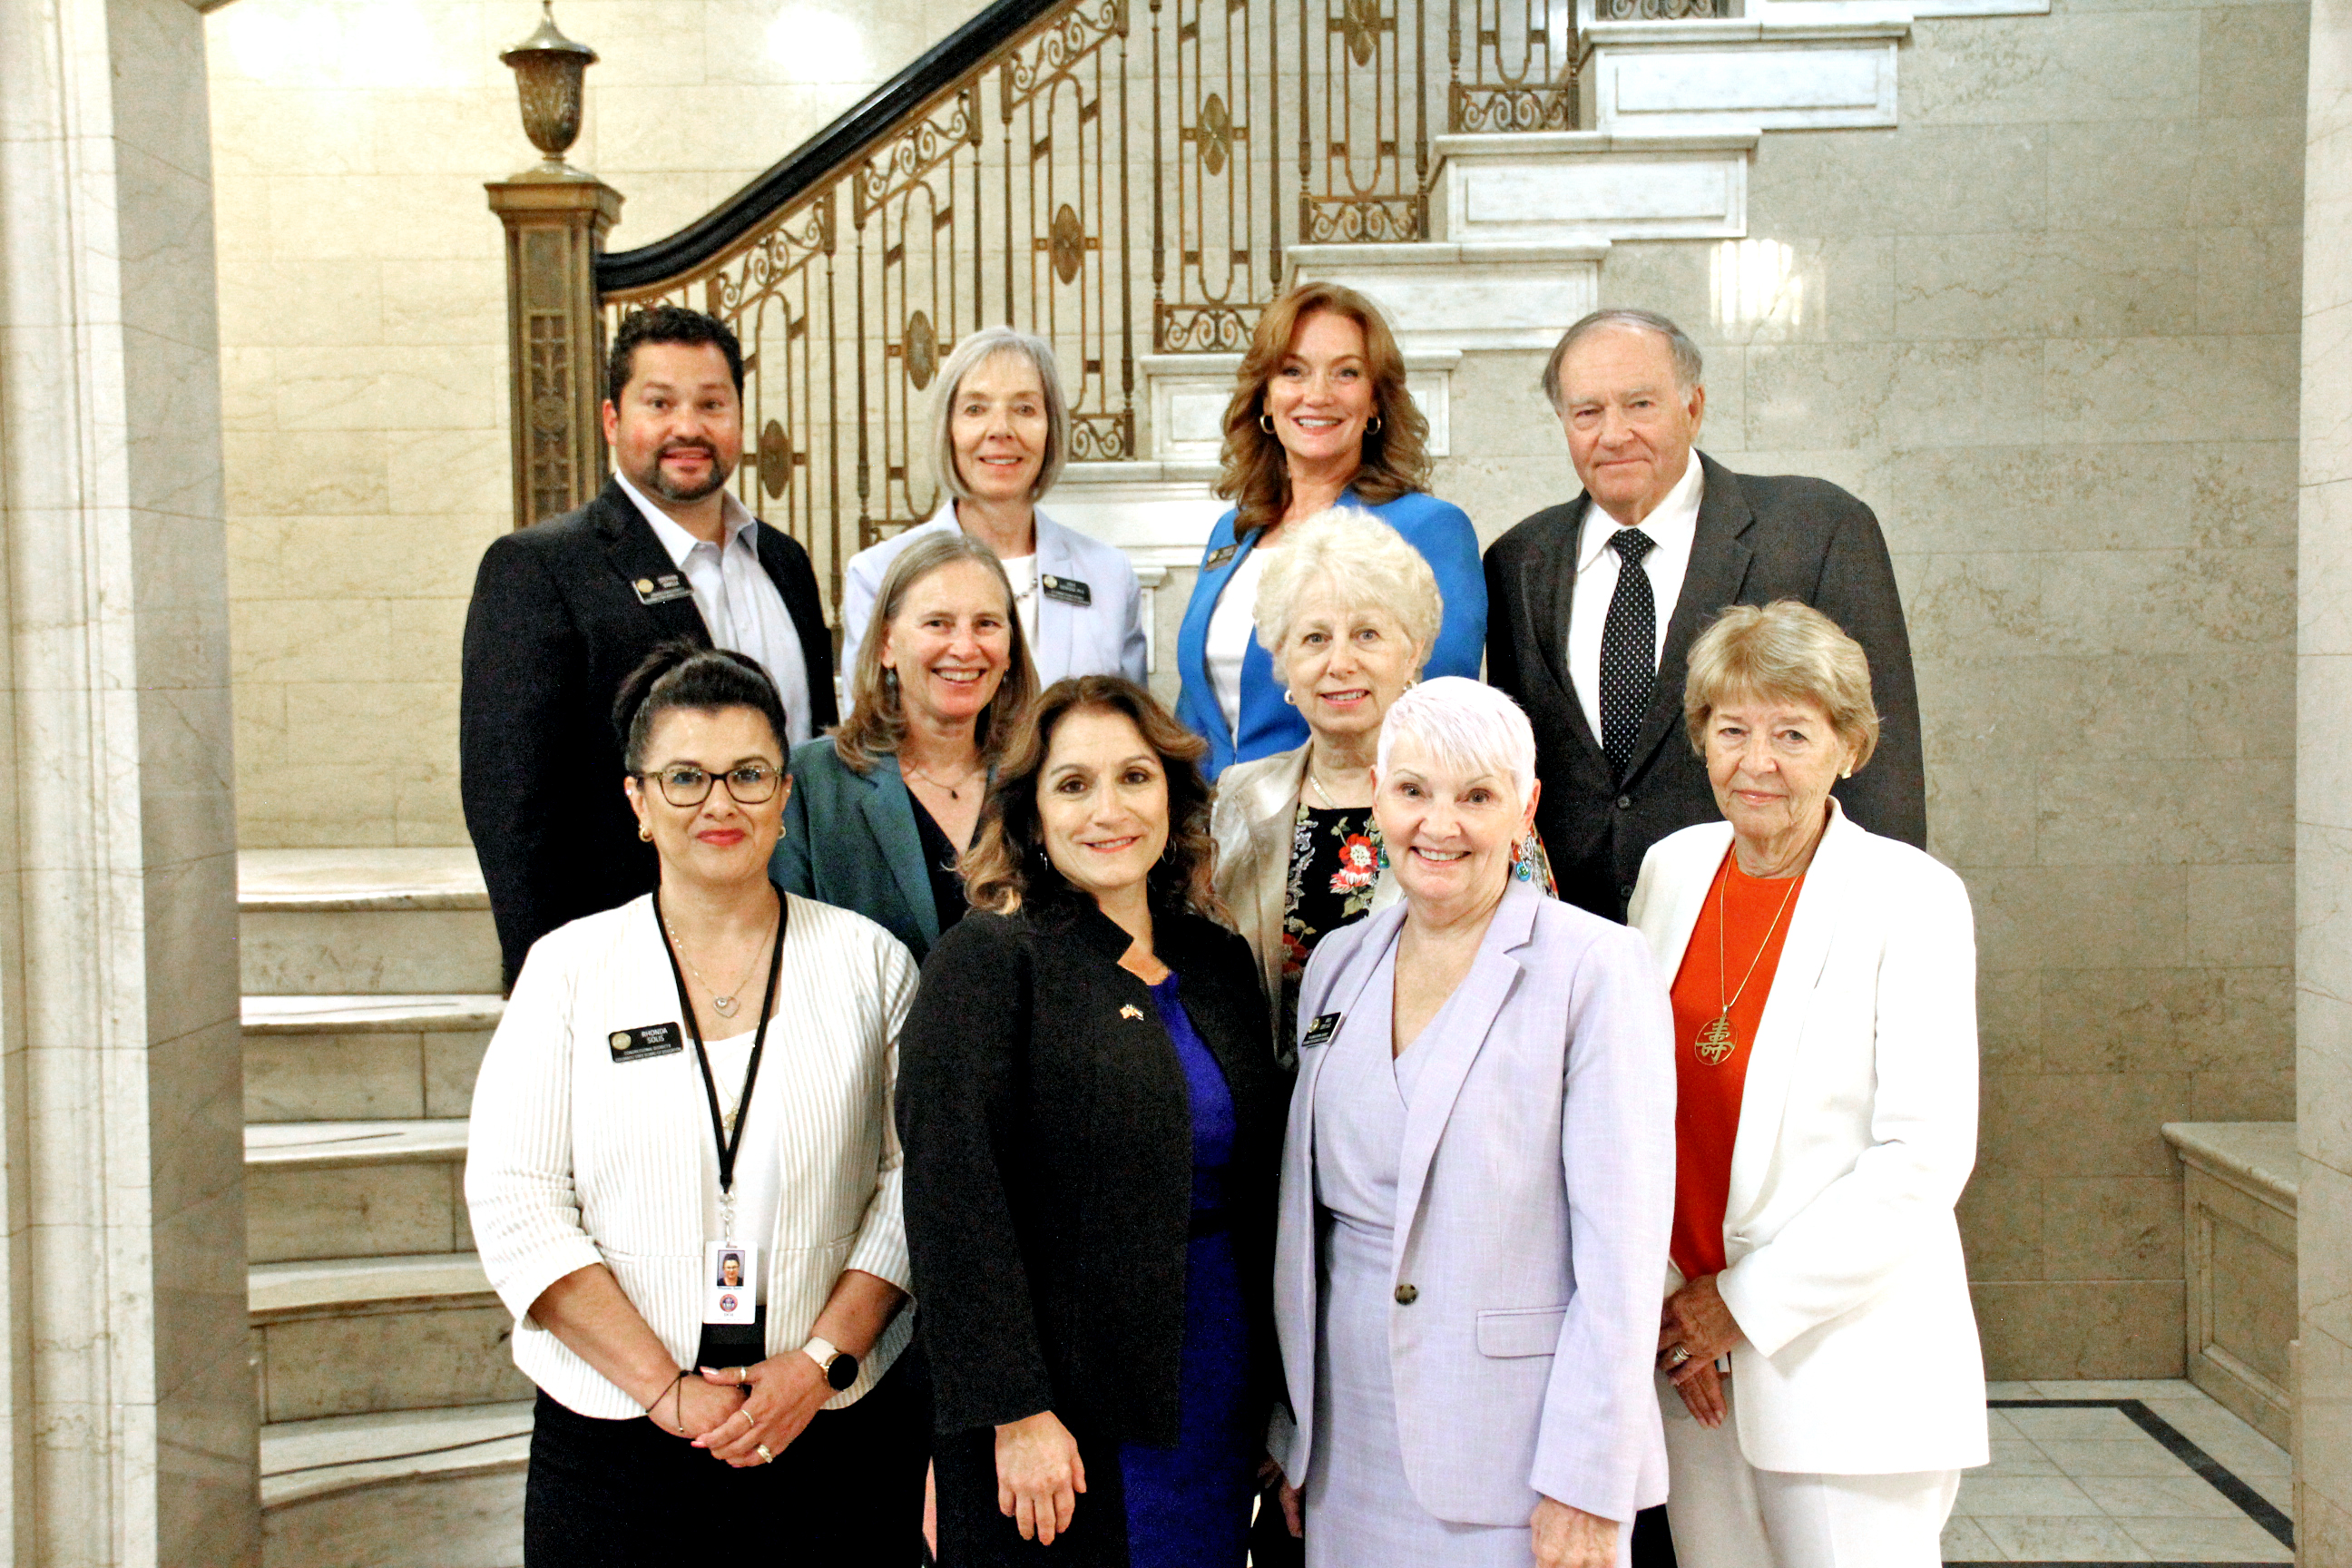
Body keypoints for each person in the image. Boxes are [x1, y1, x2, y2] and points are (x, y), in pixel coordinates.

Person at [465, 644, 927, 1565]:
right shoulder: (568, 970)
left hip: (826, 1427)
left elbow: (912, 1184)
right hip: (614, 1434)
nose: (720, 804)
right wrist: (663, 1388)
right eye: (685, 778)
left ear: (786, 798)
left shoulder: (870, 963)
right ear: (638, 802)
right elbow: (517, 1200)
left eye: (749, 775)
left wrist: (818, 1364)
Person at [1269, 677, 1676, 1568]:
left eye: (1477, 796)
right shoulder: (1339, 963)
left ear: (1526, 808)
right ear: (1377, 794)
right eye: (1413, 791)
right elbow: (1307, 1222)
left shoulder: (1596, 968)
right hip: (1347, 1438)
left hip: (1515, 1453)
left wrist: (1588, 1479)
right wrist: (1293, 1430)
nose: (1438, 825)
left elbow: (1624, 1251)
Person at [898, 676, 1285, 1568]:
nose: (1107, 810)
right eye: (1073, 785)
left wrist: (1274, 1394)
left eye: (1134, 778)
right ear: (1031, 810)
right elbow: (954, 1207)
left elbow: (1260, 1178)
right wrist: (1016, 1411)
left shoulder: (1215, 958)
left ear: (1174, 795)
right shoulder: (988, 962)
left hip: (1213, 1370)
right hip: (1058, 1406)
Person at [1628, 602, 1984, 1567]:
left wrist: (1741, 1305)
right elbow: (1636, 1114)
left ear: (1850, 747)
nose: (1757, 762)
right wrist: (1678, 1313)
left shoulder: (1910, 897)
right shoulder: (1671, 870)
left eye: (1793, 733)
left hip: (1841, 1367)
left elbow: (1922, 1158)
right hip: (1693, 1363)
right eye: (1732, 730)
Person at [1483, 307, 1924, 924]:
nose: (1613, 434)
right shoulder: (1517, 562)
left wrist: (1881, 930)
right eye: (1587, 413)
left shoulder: (1817, 530)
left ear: (1693, 407)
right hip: (1574, 943)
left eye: (1640, 405)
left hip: (1767, 927)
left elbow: (1880, 757)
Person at [461, 305, 837, 988]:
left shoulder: (785, 563)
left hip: (789, 942)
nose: (687, 427)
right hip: (626, 958)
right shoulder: (541, 569)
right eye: (659, 403)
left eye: (711, 403)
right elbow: (511, 808)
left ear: (739, 419)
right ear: (613, 420)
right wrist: (546, 981)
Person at [1175, 282, 1485, 779]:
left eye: (1346, 373)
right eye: (1293, 371)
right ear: (1266, 397)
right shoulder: (1230, 533)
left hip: (1344, 830)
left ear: (1375, 402)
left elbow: (1436, 711)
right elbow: (1192, 707)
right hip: (1213, 830)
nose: (1317, 395)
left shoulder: (1428, 529)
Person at [1208, 505, 1439, 1061]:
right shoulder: (1236, 800)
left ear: (1411, 653)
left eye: (1366, 634)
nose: (1340, 662)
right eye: (1314, 638)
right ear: (1283, 659)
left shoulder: (1471, 802)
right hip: (1269, 1121)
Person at [773, 530, 1037, 961]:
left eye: (986, 624)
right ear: (885, 644)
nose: (966, 648)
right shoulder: (809, 782)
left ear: (1010, 651)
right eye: (938, 623)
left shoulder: (1038, 777)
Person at [840, 326, 1146, 688]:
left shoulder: (1109, 576)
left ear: (1051, 429)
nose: (1001, 429)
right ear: (948, 429)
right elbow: (870, 733)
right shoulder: (876, 576)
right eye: (975, 409)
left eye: (1024, 408)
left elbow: (1126, 730)